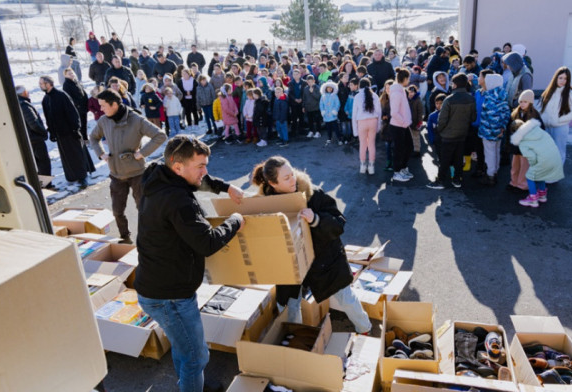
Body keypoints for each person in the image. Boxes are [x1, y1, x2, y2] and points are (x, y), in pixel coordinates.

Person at [135, 135, 244, 392]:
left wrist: (224, 187)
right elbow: (206, 243)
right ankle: (192, 384)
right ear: (178, 167)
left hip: (158, 288)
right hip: (170, 296)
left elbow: (198, 180)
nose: (205, 172)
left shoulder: (158, 177)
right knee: (197, 357)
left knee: (184, 350)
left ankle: (190, 384)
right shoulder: (178, 200)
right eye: (200, 166)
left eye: (206, 165)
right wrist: (236, 220)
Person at [251, 156, 371, 334]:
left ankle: (365, 328)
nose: (293, 180)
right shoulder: (265, 205)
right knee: (291, 306)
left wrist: (316, 219)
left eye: (292, 174)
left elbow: (339, 222)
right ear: (272, 183)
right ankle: (298, 340)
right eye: (286, 178)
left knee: (345, 297)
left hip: (325, 260)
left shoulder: (313, 194)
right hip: (289, 266)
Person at [89, 89, 167, 243]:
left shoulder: (136, 119)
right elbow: (93, 137)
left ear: (115, 104)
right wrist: (101, 154)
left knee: (143, 210)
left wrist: (142, 153)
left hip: (137, 174)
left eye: (103, 106)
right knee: (117, 212)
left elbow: (160, 135)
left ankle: (148, 238)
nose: (101, 109)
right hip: (116, 175)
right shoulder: (104, 120)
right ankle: (125, 237)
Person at [39, 75, 90, 188]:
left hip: (70, 131)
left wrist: (76, 128)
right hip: (59, 134)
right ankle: (72, 176)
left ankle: (82, 177)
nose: (40, 85)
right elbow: (48, 118)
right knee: (66, 157)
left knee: (77, 154)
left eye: (42, 83)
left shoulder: (61, 95)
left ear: (49, 84)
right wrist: (52, 132)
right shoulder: (45, 99)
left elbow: (72, 112)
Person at [427, 74, 476, 189]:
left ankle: (440, 181)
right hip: (462, 134)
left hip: (448, 135)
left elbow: (442, 120)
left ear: (455, 84)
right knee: (458, 158)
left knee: (444, 159)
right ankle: (457, 180)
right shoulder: (471, 98)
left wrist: (440, 130)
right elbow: (473, 118)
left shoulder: (449, 99)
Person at [510, 119, 564, 207]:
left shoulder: (523, 141)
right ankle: (542, 195)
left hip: (544, 159)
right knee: (541, 174)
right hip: (554, 157)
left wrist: (533, 165)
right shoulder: (538, 130)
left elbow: (532, 157)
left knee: (530, 176)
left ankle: (533, 199)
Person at [538, 66, 572, 165]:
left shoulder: (571, 94)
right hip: (546, 126)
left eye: (565, 79)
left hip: (560, 128)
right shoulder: (548, 92)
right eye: (560, 78)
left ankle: (555, 176)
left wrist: (560, 120)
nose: (562, 81)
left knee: (558, 151)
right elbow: (540, 107)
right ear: (556, 78)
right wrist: (541, 120)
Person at [477, 73, 510, 186]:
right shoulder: (503, 95)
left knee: (489, 153)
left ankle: (490, 176)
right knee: (496, 151)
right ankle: (495, 171)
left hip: (489, 131)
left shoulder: (490, 97)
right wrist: (502, 128)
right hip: (500, 130)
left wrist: (495, 131)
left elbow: (492, 116)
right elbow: (506, 113)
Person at [16, 85, 52, 187]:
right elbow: (34, 123)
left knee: (37, 164)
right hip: (35, 139)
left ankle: (42, 185)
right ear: (23, 93)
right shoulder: (24, 106)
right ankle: (46, 186)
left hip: (30, 139)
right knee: (43, 163)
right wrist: (43, 132)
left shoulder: (17, 104)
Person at [508, 90, 543, 192]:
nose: (522, 104)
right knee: (515, 165)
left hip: (527, 147)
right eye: (521, 101)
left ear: (530, 103)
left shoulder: (534, 115)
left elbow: (539, 130)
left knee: (524, 167)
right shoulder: (515, 113)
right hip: (516, 145)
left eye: (525, 102)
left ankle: (522, 185)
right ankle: (513, 182)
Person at [352, 78, 382, 175]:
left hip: (361, 122)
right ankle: (371, 166)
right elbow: (379, 112)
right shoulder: (375, 96)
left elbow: (354, 114)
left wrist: (354, 130)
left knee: (363, 144)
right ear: (370, 85)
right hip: (373, 121)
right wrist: (379, 126)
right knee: (371, 144)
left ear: (359, 85)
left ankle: (363, 165)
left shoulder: (357, 96)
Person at [389, 68, 414, 182]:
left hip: (403, 125)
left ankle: (402, 168)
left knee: (408, 147)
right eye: (408, 78)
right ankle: (397, 172)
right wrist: (404, 123)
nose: (409, 81)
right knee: (399, 149)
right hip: (398, 126)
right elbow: (394, 112)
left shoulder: (401, 90)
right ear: (404, 79)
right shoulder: (397, 92)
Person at [319, 81, 341, 145]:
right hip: (326, 115)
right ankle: (329, 138)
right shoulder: (323, 96)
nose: (329, 89)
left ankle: (339, 138)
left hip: (333, 115)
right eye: (328, 88)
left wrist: (335, 110)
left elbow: (337, 104)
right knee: (328, 128)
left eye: (331, 88)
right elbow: (321, 104)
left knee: (336, 127)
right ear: (325, 88)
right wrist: (322, 111)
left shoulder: (335, 96)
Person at [427, 94, 446, 160]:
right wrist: (432, 140)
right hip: (437, 140)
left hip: (447, 139)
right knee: (440, 156)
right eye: (437, 103)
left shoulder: (449, 114)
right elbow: (430, 129)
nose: (438, 105)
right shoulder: (432, 116)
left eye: (441, 103)